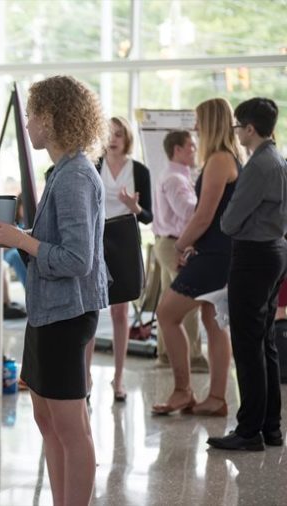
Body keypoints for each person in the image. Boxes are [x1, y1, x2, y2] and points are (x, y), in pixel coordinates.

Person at [0, 75, 109, 506]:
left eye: (32, 115)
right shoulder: (63, 171)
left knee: (69, 422)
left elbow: (79, 260)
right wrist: (23, 237)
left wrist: (22, 241)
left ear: (51, 118)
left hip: (66, 313)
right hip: (49, 312)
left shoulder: (76, 175)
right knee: (46, 416)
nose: (27, 124)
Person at [152, 98, 241, 417]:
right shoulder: (228, 158)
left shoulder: (218, 160)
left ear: (211, 122)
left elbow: (204, 216)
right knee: (213, 322)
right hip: (220, 252)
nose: (195, 128)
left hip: (215, 255)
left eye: (198, 121)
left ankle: (182, 391)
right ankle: (215, 398)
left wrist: (180, 246)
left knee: (167, 314)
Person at [208, 97, 287, 451]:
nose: (236, 132)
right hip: (274, 251)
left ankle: (249, 430)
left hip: (253, 256)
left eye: (238, 126)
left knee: (248, 344)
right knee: (264, 341)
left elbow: (229, 220)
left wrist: (228, 220)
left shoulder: (258, 165)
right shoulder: (279, 159)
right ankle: (270, 427)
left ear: (250, 129)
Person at [91, 116, 152, 402]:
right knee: (90, 309)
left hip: (125, 242)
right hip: (96, 239)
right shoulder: (94, 165)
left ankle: (118, 377)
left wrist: (134, 206)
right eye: (109, 134)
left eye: (118, 134)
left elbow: (148, 217)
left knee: (120, 313)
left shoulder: (139, 170)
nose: (113, 139)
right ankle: (85, 377)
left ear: (127, 137)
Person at [152, 130, 207, 373]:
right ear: (177, 149)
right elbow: (188, 212)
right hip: (175, 244)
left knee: (168, 299)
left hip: (168, 242)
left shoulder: (174, 175)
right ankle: (193, 357)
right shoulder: (175, 178)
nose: (195, 150)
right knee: (187, 300)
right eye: (191, 146)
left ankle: (165, 354)